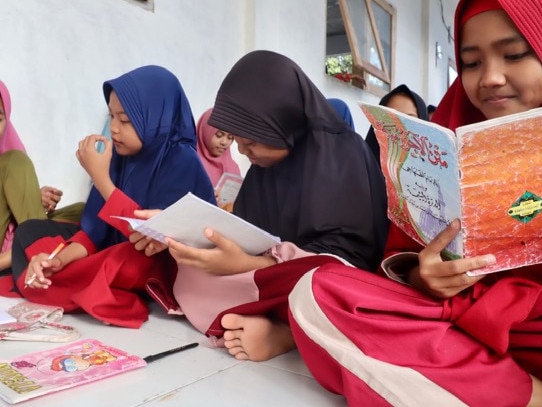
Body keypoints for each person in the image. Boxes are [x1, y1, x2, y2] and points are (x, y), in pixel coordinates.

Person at [288, 0, 542, 405]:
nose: (491, 78)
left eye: (514, 54)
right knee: (319, 294)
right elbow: (404, 255)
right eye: (471, 63)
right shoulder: (445, 133)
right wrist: (427, 277)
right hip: (461, 326)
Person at [136, 50, 389, 361]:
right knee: (185, 261)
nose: (242, 152)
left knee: (328, 283)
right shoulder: (263, 167)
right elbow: (246, 234)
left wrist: (249, 265)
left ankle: (287, 332)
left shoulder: (346, 155)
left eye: (250, 142)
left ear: (281, 122)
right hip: (268, 277)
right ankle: (278, 320)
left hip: (319, 283)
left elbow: (350, 265)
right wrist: (176, 229)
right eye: (238, 142)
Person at [7, 65, 215, 328]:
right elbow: (95, 230)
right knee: (31, 230)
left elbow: (148, 238)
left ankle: (80, 282)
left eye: (125, 120)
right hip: (118, 248)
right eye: (111, 117)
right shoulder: (121, 157)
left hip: (163, 265)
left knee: (124, 258)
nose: (114, 128)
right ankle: (60, 274)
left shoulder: (181, 160)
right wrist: (59, 259)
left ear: (155, 118)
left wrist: (101, 179)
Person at [0, 80, 83, 272]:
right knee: (16, 162)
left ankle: (25, 254)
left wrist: (26, 196)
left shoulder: (8, 150)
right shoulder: (13, 161)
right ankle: (39, 251)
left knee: (84, 212)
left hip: (11, 240)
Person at [364, 84, 428, 166]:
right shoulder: (361, 167)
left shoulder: (435, 175)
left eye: (409, 119)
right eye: (392, 117)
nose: (401, 126)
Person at [196, 107, 242, 211]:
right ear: (205, 131)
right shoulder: (190, 162)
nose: (225, 142)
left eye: (230, 137)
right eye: (219, 135)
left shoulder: (233, 168)